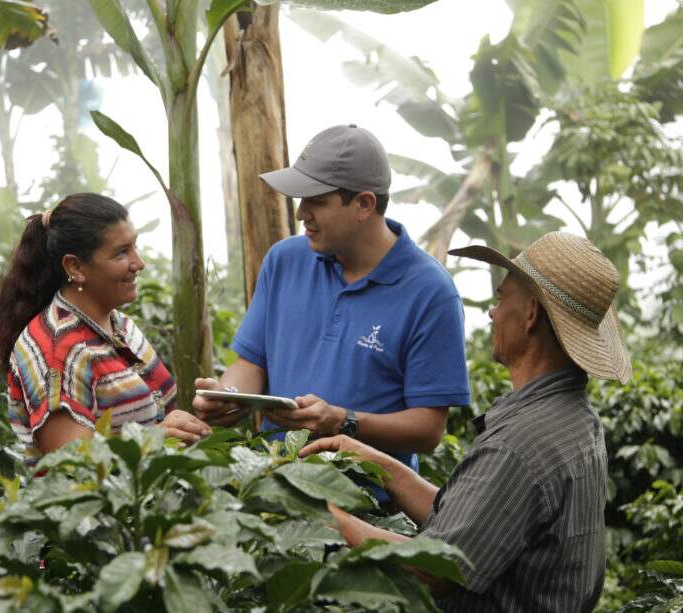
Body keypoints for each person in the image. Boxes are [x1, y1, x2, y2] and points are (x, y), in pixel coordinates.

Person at [301, 232, 631, 612]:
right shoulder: (572, 417)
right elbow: (472, 525)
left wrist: (324, 518)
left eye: (501, 298)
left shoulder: (520, 445)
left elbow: (438, 568)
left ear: (530, 314)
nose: (492, 312)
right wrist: (371, 461)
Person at [193, 124, 471, 488]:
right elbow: (252, 361)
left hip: (370, 509)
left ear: (364, 204)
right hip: (272, 491)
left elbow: (428, 429)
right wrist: (228, 396)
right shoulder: (284, 260)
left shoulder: (430, 293)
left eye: (317, 201)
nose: (301, 213)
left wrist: (342, 421)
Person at [0, 193, 210, 467]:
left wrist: (207, 415)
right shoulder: (57, 350)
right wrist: (155, 439)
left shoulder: (121, 326)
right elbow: (72, 464)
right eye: (121, 252)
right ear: (75, 267)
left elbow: (160, 418)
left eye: (135, 247)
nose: (138, 263)